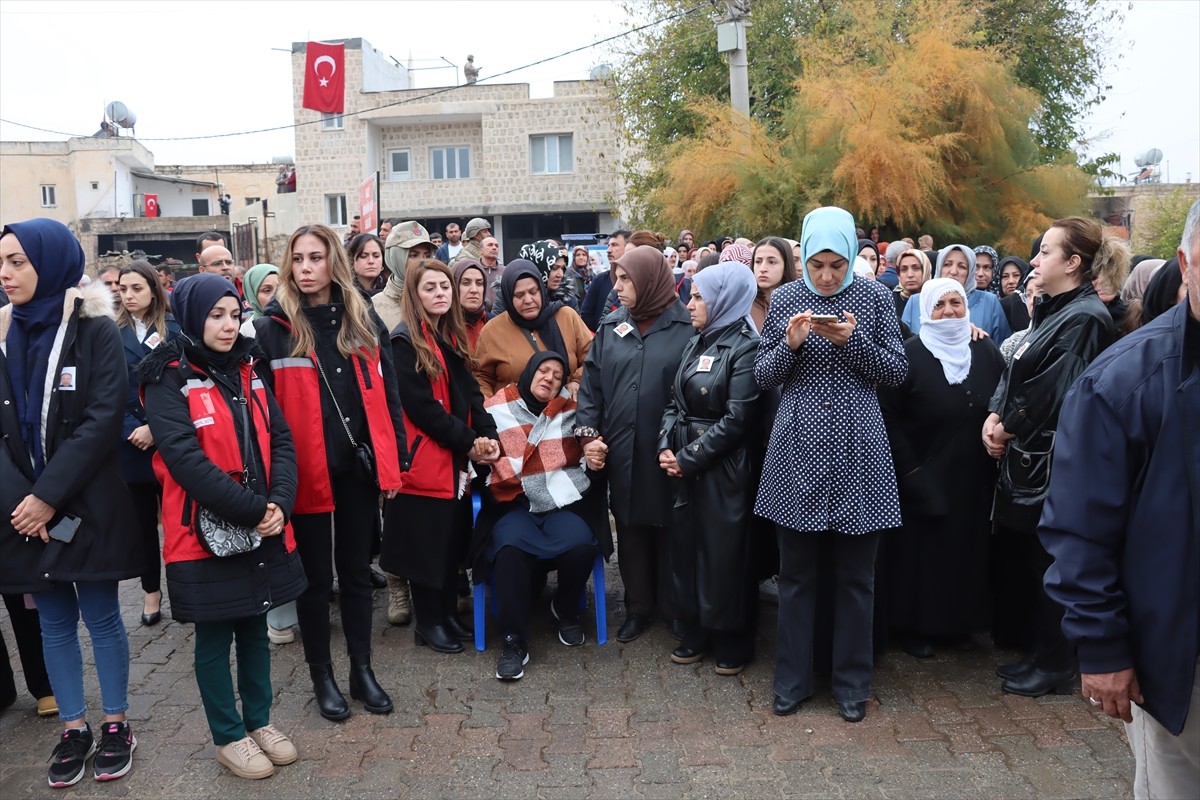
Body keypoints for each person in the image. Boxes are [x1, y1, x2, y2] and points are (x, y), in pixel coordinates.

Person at [1038, 203, 1199, 799]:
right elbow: (1081, 526)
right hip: (1181, 657)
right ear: (1186, 264)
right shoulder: (1123, 381)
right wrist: (1103, 644)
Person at [139, 274, 305, 780]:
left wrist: (280, 502)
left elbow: (281, 439)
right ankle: (228, 735)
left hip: (260, 522)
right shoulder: (166, 375)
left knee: (255, 627)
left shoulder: (249, 366)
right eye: (216, 316)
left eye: (234, 315)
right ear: (193, 316)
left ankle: (259, 721)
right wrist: (254, 510)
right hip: (203, 533)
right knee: (214, 638)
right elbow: (185, 460)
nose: (228, 325)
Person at [0, 218, 142, 786]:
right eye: (2, 262)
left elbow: (102, 419)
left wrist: (47, 497)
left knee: (101, 615)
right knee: (53, 622)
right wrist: (26, 503)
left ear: (50, 263)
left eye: (17, 262)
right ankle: (73, 727)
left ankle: (116, 723)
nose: (5, 273)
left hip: (85, 504)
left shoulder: (94, 329)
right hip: (24, 514)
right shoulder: (3, 333)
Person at [754, 206, 907, 723]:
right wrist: (792, 345)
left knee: (855, 577)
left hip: (859, 447)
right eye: (816, 265)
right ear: (803, 257)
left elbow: (896, 370)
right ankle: (792, 681)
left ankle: (852, 685)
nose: (825, 277)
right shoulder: (787, 299)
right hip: (798, 447)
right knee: (796, 574)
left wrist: (853, 341)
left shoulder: (875, 297)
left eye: (836, 265)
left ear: (848, 257)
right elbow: (762, 374)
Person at [253, 224, 407, 722]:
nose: (306, 268)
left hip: (357, 468)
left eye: (316, 258)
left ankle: (362, 670)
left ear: (333, 262)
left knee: (358, 575)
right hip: (304, 471)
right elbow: (263, 413)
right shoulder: (273, 327)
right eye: (298, 259)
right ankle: (322, 676)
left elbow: (389, 391)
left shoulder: (361, 316)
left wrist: (396, 457)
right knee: (317, 581)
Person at [982, 216, 1124, 697]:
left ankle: (1056, 663)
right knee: (1032, 561)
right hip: (1030, 457)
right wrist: (994, 413)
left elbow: (1051, 390)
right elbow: (1016, 367)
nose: (1034, 260)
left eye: (1045, 252)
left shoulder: (1084, 317)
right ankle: (1041, 654)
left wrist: (1006, 425)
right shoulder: (1053, 308)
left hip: (1055, 462)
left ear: (1073, 262)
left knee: (1050, 564)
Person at [879, 278, 1004, 658]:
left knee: (964, 551)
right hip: (922, 472)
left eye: (956, 303)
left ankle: (957, 624)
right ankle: (914, 626)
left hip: (972, 475)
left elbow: (1003, 397)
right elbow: (889, 416)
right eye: (939, 305)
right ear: (925, 311)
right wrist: (910, 471)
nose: (949, 311)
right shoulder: (909, 355)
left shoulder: (985, 349)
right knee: (921, 554)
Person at [576, 244, 694, 643]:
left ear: (650, 280)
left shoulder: (686, 326)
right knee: (629, 527)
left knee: (672, 529)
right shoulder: (612, 326)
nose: (618, 286)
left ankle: (675, 607)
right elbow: (591, 387)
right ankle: (638, 606)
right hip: (622, 447)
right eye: (617, 278)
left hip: (668, 450)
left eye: (627, 279)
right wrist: (589, 434)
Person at [382, 258, 500, 655]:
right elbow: (423, 410)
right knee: (427, 550)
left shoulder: (447, 337)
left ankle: (446, 616)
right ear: (415, 294)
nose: (440, 294)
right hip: (424, 464)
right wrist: (470, 442)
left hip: (451, 464)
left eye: (444, 287)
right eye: (430, 288)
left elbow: (470, 394)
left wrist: (487, 434)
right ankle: (429, 624)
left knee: (448, 545)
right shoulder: (403, 342)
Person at [472, 352, 611, 680]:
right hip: (514, 502)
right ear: (529, 372)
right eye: (544, 371)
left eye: (557, 375)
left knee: (582, 544)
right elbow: (479, 459)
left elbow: (590, 456)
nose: (549, 378)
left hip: (559, 499)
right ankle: (513, 640)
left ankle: (565, 607)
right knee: (508, 549)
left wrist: (594, 455)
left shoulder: (572, 411)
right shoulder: (495, 408)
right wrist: (482, 453)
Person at [659, 262, 762, 675]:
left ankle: (732, 636)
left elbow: (738, 419)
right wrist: (665, 446)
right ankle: (695, 628)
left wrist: (688, 458)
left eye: (700, 297)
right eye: (692, 295)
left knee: (724, 555)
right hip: (687, 462)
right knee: (688, 549)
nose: (690, 304)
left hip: (724, 469)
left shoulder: (746, 347)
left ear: (724, 300)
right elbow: (674, 402)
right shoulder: (696, 341)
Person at [115, 261, 180, 626]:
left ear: (154, 290)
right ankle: (151, 591)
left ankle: (183, 585)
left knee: (177, 518)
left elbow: (184, 383)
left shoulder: (173, 328)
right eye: (123, 289)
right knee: (142, 524)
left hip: (170, 437)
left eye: (136, 288)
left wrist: (156, 427)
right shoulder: (112, 332)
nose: (128, 296)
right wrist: (133, 428)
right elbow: (106, 390)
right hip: (131, 443)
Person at [473, 260, 592, 398]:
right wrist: (492, 406)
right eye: (519, 295)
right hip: (511, 410)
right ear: (508, 297)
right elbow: (482, 378)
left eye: (533, 292)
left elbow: (593, 357)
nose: (528, 300)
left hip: (566, 408)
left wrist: (577, 381)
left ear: (541, 290)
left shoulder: (567, 317)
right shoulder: (492, 331)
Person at [903, 245, 1011, 342]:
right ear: (939, 268)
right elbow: (904, 343)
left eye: (962, 266)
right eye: (947, 264)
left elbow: (1002, 347)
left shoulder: (989, 302)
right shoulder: (916, 301)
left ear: (970, 272)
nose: (953, 271)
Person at [580, 230, 629, 331]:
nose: (609, 250)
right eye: (608, 245)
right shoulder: (599, 280)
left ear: (628, 248)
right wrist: (602, 334)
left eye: (614, 245)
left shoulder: (638, 280)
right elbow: (586, 314)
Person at [751, 237, 797, 332]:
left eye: (772, 262)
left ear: (786, 266)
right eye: (758, 262)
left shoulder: (798, 304)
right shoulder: (744, 306)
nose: (763, 269)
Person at [382, 220, 436, 292]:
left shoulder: (439, 296)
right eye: (413, 255)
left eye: (427, 256)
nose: (422, 261)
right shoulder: (376, 300)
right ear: (394, 258)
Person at [453, 259, 490, 352]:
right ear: (454, 286)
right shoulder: (442, 325)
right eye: (466, 283)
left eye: (479, 283)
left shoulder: (494, 324)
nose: (474, 290)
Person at [893, 247, 931, 325]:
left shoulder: (935, 299)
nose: (910, 275)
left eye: (916, 268)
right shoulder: (890, 300)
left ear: (926, 270)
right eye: (904, 269)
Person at [240, 264, 279, 332]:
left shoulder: (296, 322)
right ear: (252, 297)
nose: (277, 295)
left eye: (281, 289)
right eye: (267, 290)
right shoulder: (247, 331)